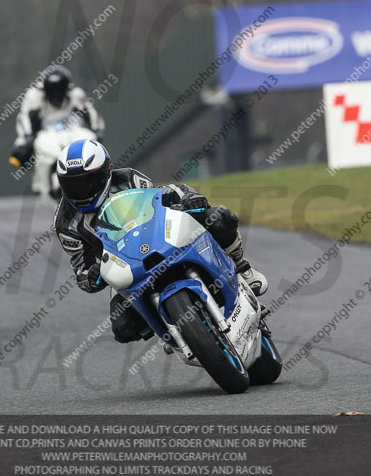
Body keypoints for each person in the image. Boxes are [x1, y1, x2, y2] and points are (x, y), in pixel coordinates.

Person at [53, 139, 268, 345]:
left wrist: (188, 197)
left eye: (88, 182)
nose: (83, 191)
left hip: (156, 236)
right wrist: (92, 276)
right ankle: (173, 331)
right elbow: (81, 272)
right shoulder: (64, 223)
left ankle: (243, 268)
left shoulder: (128, 178)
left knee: (219, 218)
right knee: (123, 327)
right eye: (73, 186)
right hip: (121, 263)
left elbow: (161, 196)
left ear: (106, 173)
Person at [10, 66, 105, 170]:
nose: (56, 95)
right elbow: (25, 119)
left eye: (60, 90)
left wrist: (96, 130)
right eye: (53, 91)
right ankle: (44, 186)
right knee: (44, 156)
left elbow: (91, 114)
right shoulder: (35, 96)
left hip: (73, 130)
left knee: (90, 142)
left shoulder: (75, 94)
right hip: (47, 133)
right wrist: (24, 142)